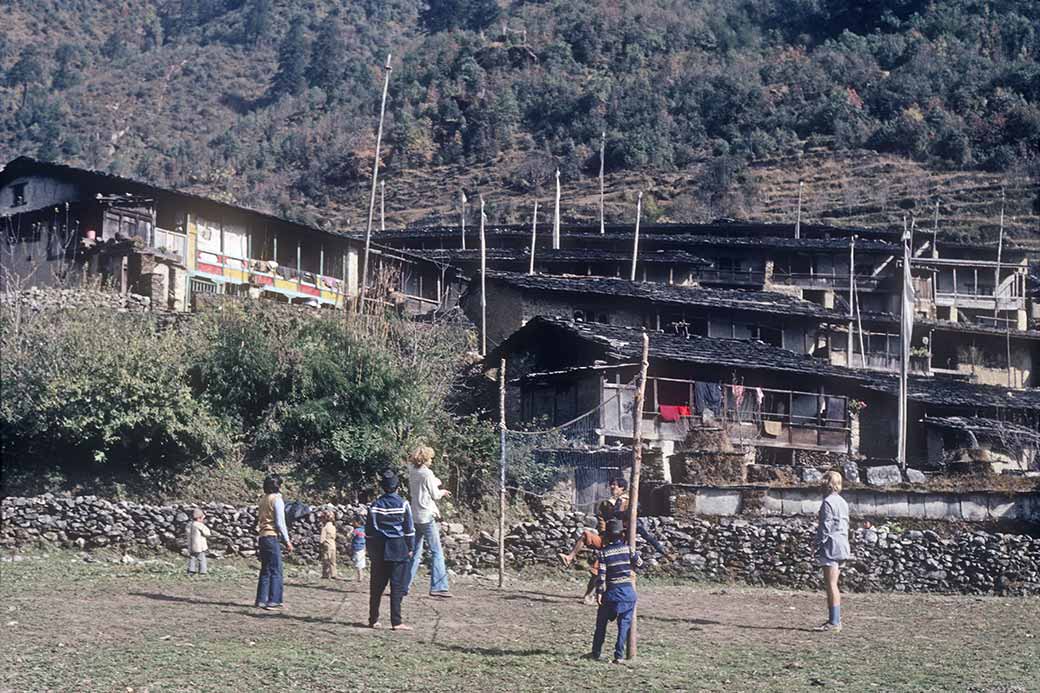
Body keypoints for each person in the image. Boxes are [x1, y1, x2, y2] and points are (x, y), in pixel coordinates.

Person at [588, 518, 643, 664]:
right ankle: (619, 656)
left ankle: (596, 652)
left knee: (601, 624)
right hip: (628, 593)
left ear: (607, 536)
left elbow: (602, 576)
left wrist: (599, 592)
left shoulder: (603, 553)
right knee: (624, 626)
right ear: (622, 535)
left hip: (611, 594)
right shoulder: (628, 549)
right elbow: (640, 563)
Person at [367, 470, 416, 631]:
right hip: (398, 549)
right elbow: (409, 529)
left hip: (379, 549)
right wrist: (410, 547)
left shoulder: (375, 506)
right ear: (397, 487)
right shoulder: (403, 504)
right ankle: (396, 621)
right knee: (397, 587)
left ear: (383, 488)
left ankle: (373, 619)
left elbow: (369, 531)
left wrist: (371, 551)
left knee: (376, 587)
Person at [407, 445, 453, 598]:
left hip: (415, 515)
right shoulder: (427, 473)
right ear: (426, 459)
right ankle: (439, 586)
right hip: (426, 515)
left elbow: (426, 484)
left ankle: (403, 585)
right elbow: (435, 494)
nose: (432, 461)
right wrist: (443, 491)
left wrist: (435, 482)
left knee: (415, 552)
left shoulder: (412, 470)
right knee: (436, 551)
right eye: (431, 458)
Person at [814, 470, 850, 633]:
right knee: (834, 583)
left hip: (831, 545)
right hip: (842, 543)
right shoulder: (843, 502)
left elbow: (825, 527)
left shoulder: (827, 502)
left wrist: (818, 546)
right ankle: (835, 620)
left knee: (831, 584)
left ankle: (834, 621)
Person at [255, 474, 293, 610]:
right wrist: (287, 541)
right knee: (276, 569)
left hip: (262, 536)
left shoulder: (263, 499)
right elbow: (280, 522)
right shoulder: (277, 499)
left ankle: (261, 599)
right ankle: (274, 600)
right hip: (271, 536)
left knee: (265, 569)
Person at [185, 508, 211, 576]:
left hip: (191, 545)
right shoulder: (199, 525)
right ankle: (202, 572)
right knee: (202, 558)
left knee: (192, 557)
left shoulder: (189, 525)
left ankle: (191, 571)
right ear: (199, 518)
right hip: (200, 546)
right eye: (202, 518)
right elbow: (207, 533)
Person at [319, 510, 337, 580]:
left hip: (327, 544)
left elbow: (322, 538)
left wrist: (321, 544)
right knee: (333, 560)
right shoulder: (333, 527)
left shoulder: (325, 528)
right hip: (333, 544)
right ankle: (333, 573)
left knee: (326, 560)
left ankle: (325, 574)